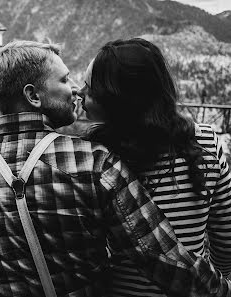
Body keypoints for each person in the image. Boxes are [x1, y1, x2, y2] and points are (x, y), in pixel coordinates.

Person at [0, 40, 230, 297]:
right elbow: (162, 258)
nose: (76, 89)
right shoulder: (94, 160)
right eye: (65, 81)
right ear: (34, 96)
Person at [77, 38, 231, 297]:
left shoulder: (95, 157)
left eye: (90, 89)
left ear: (117, 102)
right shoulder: (205, 141)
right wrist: (213, 282)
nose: (78, 92)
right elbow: (226, 238)